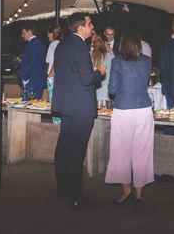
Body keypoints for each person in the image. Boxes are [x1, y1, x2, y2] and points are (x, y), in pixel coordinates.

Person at [51, 13, 106, 211]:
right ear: (81, 27)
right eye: (90, 24)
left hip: (66, 107)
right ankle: (76, 198)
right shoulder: (80, 47)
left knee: (64, 147)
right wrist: (99, 72)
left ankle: (63, 190)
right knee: (76, 152)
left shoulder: (62, 46)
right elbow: (86, 79)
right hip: (81, 108)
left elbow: (67, 76)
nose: (92, 28)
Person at [105, 29, 154, 214]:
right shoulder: (148, 62)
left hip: (123, 110)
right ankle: (139, 195)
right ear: (139, 43)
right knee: (142, 152)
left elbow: (112, 88)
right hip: (143, 109)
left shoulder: (117, 61)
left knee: (121, 152)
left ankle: (126, 191)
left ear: (122, 43)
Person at [19, 24, 46, 99]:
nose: (22, 35)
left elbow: (31, 63)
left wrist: (24, 78)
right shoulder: (41, 44)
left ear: (30, 32)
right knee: (36, 107)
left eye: (24, 33)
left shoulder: (30, 45)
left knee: (27, 107)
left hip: (31, 80)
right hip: (39, 80)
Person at [92, 31, 114, 103]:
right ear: (105, 43)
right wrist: (111, 52)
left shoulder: (90, 54)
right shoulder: (110, 55)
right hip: (106, 91)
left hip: (93, 91)